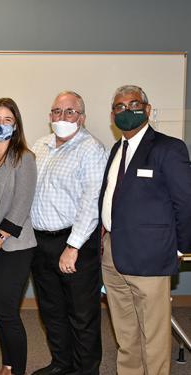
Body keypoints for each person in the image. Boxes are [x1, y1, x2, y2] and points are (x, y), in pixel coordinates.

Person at [100, 85, 191, 374]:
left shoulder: (169, 148)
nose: (126, 111)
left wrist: (179, 248)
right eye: (119, 107)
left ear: (148, 110)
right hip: (113, 254)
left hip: (151, 256)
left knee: (153, 335)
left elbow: (186, 202)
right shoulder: (117, 148)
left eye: (133, 104)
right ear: (113, 114)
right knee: (126, 333)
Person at [30, 91, 107, 375]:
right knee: (51, 311)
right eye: (56, 112)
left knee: (82, 315)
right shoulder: (39, 146)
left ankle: (86, 370)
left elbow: (91, 202)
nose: (62, 118)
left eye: (69, 112)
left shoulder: (91, 149)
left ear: (82, 117)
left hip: (75, 243)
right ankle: (61, 364)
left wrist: (72, 246)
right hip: (41, 243)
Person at [0, 98, 37, 375]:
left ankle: (18, 369)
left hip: (14, 247)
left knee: (8, 313)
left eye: (7, 120)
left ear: (16, 127)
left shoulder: (24, 158)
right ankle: (8, 364)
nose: (1, 125)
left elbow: (22, 203)